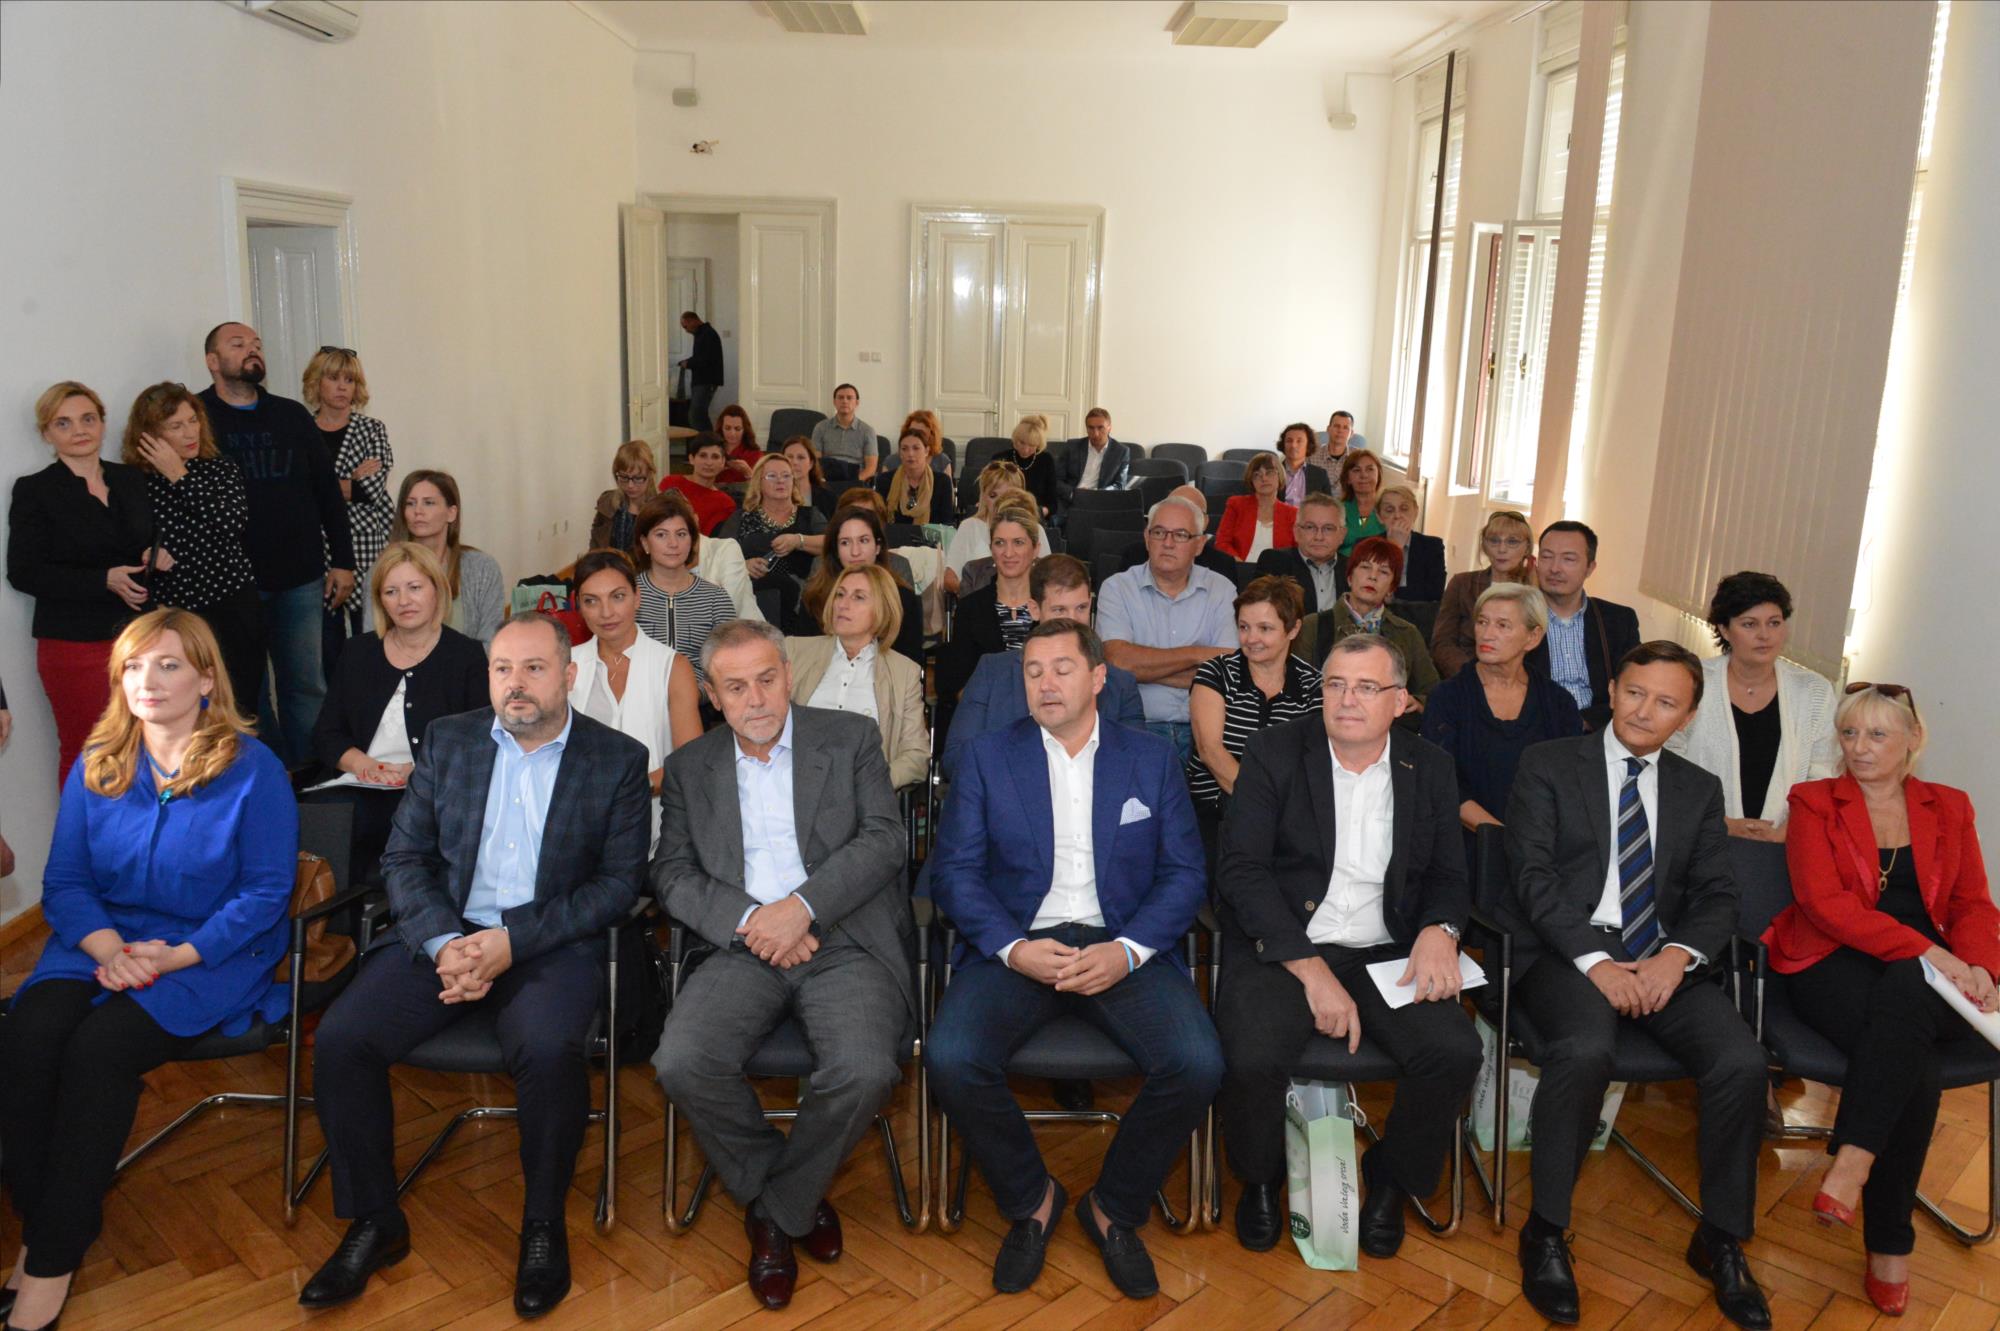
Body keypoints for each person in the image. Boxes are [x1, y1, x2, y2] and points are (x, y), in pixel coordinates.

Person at [301, 614, 649, 1319]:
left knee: (547, 1047)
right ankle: (375, 1219)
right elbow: (405, 857)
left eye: (533, 668)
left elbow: (617, 886)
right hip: (449, 935)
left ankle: (543, 1222)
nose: (515, 684)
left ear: (568, 675)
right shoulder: (451, 740)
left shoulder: (615, 757)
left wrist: (512, 942)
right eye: (502, 668)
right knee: (342, 1038)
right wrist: (443, 943)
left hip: (549, 943)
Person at [0, 609, 294, 1331]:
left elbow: (265, 893)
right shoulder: (99, 760)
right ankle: (51, 1221)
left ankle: (48, 1262)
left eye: (168, 664)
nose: (147, 680)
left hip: (207, 951)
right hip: (102, 942)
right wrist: (110, 951)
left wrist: (175, 955)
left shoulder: (253, 768)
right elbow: (66, 881)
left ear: (206, 678)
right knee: (28, 1033)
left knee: (99, 1051)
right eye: (133, 666)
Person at [926, 619, 1222, 1300]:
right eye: (1033, 671)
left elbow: (1184, 874)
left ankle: (1114, 1206)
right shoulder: (988, 758)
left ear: (1098, 678)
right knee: (950, 1057)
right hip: (1019, 944)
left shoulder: (1149, 758)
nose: (1046, 683)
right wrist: (1013, 948)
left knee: (1198, 1062)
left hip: (1120, 944)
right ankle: (1031, 1198)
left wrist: (1129, 951)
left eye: (1062, 668)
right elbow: (955, 875)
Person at [1502, 641, 1772, 1330]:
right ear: (1612, 690)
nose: (1645, 710)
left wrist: (1676, 957)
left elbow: (1718, 895)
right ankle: (1546, 1230)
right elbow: (1532, 879)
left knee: (1741, 1061)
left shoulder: (1698, 788)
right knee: (1585, 1049)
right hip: (1567, 955)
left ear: (1688, 716)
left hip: (1660, 957)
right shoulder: (1548, 763)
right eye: (1634, 692)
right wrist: (1596, 962)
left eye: (1666, 702)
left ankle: (1720, 1237)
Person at [652, 620, 912, 1312]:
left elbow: (885, 839)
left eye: (767, 679)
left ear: (788, 676)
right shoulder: (690, 768)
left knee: (865, 1069)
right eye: (735, 687)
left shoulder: (849, 737)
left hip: (843, 938)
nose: (756, 698)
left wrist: (802, 908)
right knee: (682, 1062)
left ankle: (774, 1211)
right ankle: (792, 1193)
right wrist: (752, 921)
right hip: (742, 947)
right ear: (712, 696)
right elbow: (672, 874)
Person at [1214, 634, 1478, 1257]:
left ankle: (1390, 1180)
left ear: (1400, 702)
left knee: (1454, 1052)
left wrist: (1441, 931)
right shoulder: (1275, 751)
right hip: (1288, 943)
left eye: (1366, 687)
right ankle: (1260, 1178)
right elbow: (1241, 871)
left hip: (1387, 948)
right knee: (1251, 1055)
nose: (1347, 700)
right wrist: (1311, 972)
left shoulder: (1429, 766)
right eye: (1335, 685)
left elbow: (1449, 874)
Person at [1763, 684, 1998, 1316]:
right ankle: (1890, 1245)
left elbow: (1973, 903)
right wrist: (1931, 956)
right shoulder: (1813, 801)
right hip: (1832, 963)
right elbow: (1825, 905)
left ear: (1913, 739)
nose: (1859, 748)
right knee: (1913, 1055)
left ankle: (1853, 1160)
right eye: (1849, 733)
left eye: (1877, 735)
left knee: (1905, 1007)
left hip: (1930, 978)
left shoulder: (1949, 805)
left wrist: (1979, 966)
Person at [199, 322, 357, 765]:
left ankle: (313, 779)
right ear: (212, 361)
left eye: (257, 344)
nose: (252, 350)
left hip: (300, 577)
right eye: (238, 344)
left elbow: (328, 493)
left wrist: (343, 561)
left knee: (305, 685)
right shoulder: (197, 417)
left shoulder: (291, 416)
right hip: (232, 585)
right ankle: (270, 776)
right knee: (245, 691)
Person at [305, 541, 487, 887]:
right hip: (359, 783)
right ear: (380, 601)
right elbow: (326, 733)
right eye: (391, 592)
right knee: (321, 818)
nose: (404, 601)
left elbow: (477, 744)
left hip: (430, 791)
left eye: (414, 587)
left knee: (396, 821)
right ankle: (333, 918)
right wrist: (364, 765)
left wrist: (419, 771)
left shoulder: (466, 656)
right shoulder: (358, 652)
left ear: (437, 589)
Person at [8, 381, 159, 786]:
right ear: (47, 433)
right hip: (74, 643)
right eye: (64, 423)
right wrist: (102, 580)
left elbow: (144, 541)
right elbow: (23, 572)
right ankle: (85, 829)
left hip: (141, 636)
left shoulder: (130, 479)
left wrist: (155, 555)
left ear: (102, 423)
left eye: (88, 419)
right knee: (88, 749)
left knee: (150, 746)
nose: (79, 430)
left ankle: (144, 828)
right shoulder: (35, 490)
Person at [120, 381, 265, 721]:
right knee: (189, 714)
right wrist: (145, 554)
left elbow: (231, 523)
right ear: (149, 436)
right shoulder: (133, 482)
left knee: (241, 706)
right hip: (176, 615)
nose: (189, 432)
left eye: (193, 420)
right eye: (175, 426)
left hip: (233, 604)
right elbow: (125, 542)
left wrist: (179, 475)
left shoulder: (220, 468)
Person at [940, 555, 1145, 781]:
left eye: (1081, 608)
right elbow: (956, 759)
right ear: (1034, 609)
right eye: (1059, 610)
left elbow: (1136, 764)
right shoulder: (992, 673)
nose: (1073, 622)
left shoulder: (1120, 684)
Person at [1668, 571, 1837, 840]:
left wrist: (1787, 831)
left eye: (1774, 623)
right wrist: (1720, 823)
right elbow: (1670, 763)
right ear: (1724, 629)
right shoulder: (1693, 680)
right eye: (1749, 624)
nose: (1764, 635)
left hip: (1786, 842)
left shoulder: (1814, 690)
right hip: (1701, 838)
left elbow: (1823, 773)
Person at [1420, 583, 1582, 860]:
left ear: (1533, 637)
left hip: (1539, 848)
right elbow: (1442, 785)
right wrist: (1502, 839)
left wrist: (1532, 845)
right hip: (1461, 846)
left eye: (1503, 625)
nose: (1487, 634)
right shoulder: (1447, 698)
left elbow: (1569, 786)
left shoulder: (1558, 704)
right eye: (1482, 622)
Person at [569, 548, 701, 849]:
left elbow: (689, 762)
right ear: (579, 606)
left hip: (655, 825)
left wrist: (634, 788)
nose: (606, 612)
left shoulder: (671, 666)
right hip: (579, 822)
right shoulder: (568, 665)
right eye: (591, 601)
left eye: (617, 597)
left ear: (637, 598)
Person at [1097, 496, 1237, 762]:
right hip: (1137, 727)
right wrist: (1197, 654)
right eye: (1159, 532)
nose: (1168, 543)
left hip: (1207, 729)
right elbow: (1119, 663)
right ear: (1146, 537)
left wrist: (1144, 670)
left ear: (1199, 544)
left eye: (1181, 535)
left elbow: (1229, 671)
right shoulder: (1117, 588)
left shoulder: (1222, 590)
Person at [1187, 576, 1323, 823]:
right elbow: (1210, 751)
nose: (1251, 639)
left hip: (1286, 814)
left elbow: (1313, 762)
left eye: (1265, 628)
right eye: (1244, 627)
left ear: (1293, 629)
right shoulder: (1216, 672)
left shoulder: (1313, 685)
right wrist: (1263, 806)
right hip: (1215, 813)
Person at [785, 565, 927, 789]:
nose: (843, 604)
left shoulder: (904, 672)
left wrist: (874, 784)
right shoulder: (794, 651)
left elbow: (916, 755)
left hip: (862, 792)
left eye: (858, 597)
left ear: (882, 609)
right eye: (840, 594)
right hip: (796, 784)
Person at [305, 347, 393, 647]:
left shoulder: (371, 429)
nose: (342, 387)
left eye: (350, 380)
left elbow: (370, 490)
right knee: (327, 643)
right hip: (315, 546)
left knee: (370, 637)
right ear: (316, 382)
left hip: (365, 546)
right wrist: (350, 480)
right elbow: (296, 491)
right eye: (333, 378)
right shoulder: (302, 429)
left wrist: (321, 485)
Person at [1296, 537, 1440, 714]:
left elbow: (1433, 692)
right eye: (1365, 567)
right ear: (1350, 577)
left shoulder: (1407, 633)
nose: (1373, 576)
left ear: (1391, 588)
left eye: (1384, 572)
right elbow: (1297, 688)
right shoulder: (1313, 625)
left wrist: (1417, 702)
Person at [1524, 520, 1642, 728]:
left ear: (1590, 568)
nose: (1554, 568)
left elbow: (1634, 687)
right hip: (1535, 730)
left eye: (1568, 559)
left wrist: (1584, 722)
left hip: (1597, 730)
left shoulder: (1618, 620)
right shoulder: (1518, 615)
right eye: (1547, 557)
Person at [939, 504, 1042, 723]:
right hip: (986, 719)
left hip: (1044, 721)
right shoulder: (970, 608)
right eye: (1000, 543)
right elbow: (961, 687)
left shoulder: (1049, 609)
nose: (1008, 553)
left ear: (1036, 549)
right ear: (991, 549)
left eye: (1018, 542)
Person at [389, 469, 504, 647]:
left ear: (451, 513)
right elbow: (373, 640)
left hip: (468, 664)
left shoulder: (482, 568)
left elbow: (492, 642)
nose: (418, 511)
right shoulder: (384, 570)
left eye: (428, 503)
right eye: (410, 503)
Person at [631, 490, 738, 680]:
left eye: (681, 534)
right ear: (645, 543)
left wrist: (693, 693)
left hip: (701, 696)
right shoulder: (628, 596)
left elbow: (729, 666)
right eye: (661, 535)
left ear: (692, 541)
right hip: (639, 693)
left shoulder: (715, 599)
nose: (673, 543)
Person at [800, 505, 925, 664]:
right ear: (836, 550)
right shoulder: (815, 598)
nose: (855, 552)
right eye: (845, 542)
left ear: (878, 546)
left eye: (863, 540)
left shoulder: (903, 599)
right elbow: (804, 660)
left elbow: (910, 665)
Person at [1432, 509, 1535, 680]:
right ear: (1484, 545)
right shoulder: (1462, 584)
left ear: (1527, 547)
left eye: (1512, 542)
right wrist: (1473, 676)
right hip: (1465, 676)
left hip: (1516, 681)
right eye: (1494, 540)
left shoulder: (1534, 590)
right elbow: (1442, 643)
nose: (1501, 549)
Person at [726, 454, 827, 625]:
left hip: (803, 602)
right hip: (753, 601)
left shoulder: (810, 515)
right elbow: (720, 556)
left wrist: (799, 541)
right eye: (772, 476)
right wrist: (743, 566)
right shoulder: (741, 518)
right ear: (759, 482)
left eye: (786, 476)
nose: (780, 481)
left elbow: (834, 543)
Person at [943, 461, 1050, 595]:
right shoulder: (969, 527)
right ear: (983, 497)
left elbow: (1048, 579)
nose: (1001, 501)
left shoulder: (1036, 529)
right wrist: (974, 597)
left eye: (1008, 495)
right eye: (993, 495)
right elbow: (949, 578)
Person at [1255, 492, 1347, 616]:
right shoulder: (1274, 562)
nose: (1319, 537)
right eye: (1310, 527)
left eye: (1328, 528)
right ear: (1296, 532)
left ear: (1342, 535)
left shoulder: (1354, 569)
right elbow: (1259, 614)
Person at [1214, 452, 1296, 563]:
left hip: (1277, 572)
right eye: (1257, 475)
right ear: (1251, 481)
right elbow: (1222, 542)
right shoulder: (1236, 505)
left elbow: (1298, 552)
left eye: (1269, 473)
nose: (1264, 478)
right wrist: (1238, 564)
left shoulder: (1293, 514)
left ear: (1280, 476)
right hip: (1240, 568)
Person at [1375, 484, 1447, 603]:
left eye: (1404, 509)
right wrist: (1395, 548)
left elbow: (1435, 593)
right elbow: (1368, 589)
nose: (1397, 515)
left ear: (1416, 512)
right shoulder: (1366, 545)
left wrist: (1393, 595)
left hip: (1417, 613)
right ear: (1379, 516)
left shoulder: (1432, 546)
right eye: (1389, 510)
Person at [874, 427, 958, 527]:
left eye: (916, 448)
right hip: (894, 536)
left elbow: (946, 523)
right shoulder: (884, 480)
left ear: (926, 451)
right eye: (904, 449)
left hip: (930, 536)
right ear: (900, 453)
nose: (910, 454)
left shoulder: (942, 482)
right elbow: (879, 520)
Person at [659, 435, 740, 536]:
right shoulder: (670, 483)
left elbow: (710, 540)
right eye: (703, 456)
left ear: (723, 462)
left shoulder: (725, 503)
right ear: (691, 459)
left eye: (715, 457)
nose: (709, 463)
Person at [1055, 407, 1131, 512]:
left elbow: (1120, 486)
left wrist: (1095, 494)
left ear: (1109, 428)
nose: (1095, 434)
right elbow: (1057, 480)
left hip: (1100, 502)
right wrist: (1074, 493)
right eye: (1091, 428)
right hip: (1071, 500)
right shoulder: (1072, 447)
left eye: (1100, 428)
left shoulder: (1121, 452)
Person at [591, 439, 657, 554]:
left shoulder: (660, 509)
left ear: (650, 475)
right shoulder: (607, 502)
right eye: (624, 477)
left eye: (638, 478)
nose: (630, 485)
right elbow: (595, 545)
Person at [809, 383, 877, 486]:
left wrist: (853, 482)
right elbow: (816, 461)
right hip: (828, 479)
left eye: (849, 398)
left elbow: (871, 468)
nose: (844, 401)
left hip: (855, 480)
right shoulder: (821, 428)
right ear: (834, 402)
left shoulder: (867, 431)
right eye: (840, 397)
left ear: (857, 403)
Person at [677, 310, 725, 434]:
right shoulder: (703, 334)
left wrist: (688, 363)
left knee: (696, 415)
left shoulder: (707, 334)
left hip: (706, 381)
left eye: (685, 326)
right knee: (698, 415)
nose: (686, 330)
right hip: (704, 380)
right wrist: (688, 361)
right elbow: (701, 356)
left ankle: (708, 441)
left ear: (692, 321)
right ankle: (707, 440)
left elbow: (704, 359)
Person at [1007, 414, 1060, 521]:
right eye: (1022, 443)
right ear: (1015, 439)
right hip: (1005, 514)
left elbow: (1052, 504)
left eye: (1032, 445)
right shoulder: (1001, 459)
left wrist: (1041, 512)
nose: (1025, 449)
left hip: (1034, 517)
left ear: (1039, 444)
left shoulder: (1046, 460)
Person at [1338, 448, 1386, 560]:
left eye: (1370, 469)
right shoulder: (1337, 509)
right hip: (1342, 566)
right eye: (1356, 470)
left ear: (1378, 475)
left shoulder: (1389, 509)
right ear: (1348, 479)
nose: (1364, 475)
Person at [1275, 422, 1335, 507]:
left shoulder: (1320, 475)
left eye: (1299, 441)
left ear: (1308, 445)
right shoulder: (1273, 473)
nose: (1293, 445)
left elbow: (1329, 506)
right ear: (1283, 445)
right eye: (1289, 441)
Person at [782, 435, 837, 518]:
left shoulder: (829, 499)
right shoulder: (769, 496)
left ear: (811, 463)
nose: (795, 462)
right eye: (789, 457)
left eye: (801, 457)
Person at [898, 408, 955, 488]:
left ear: (931, 436)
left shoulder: (942, 461)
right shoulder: (891, 462)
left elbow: (949, 493)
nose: (915, 437)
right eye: (911, 431)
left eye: (921, 434)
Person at [715, 404, 761, 481]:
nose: (732, 433)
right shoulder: (712, 449)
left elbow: (760, 485)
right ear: (721, 428)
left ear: (744, 430)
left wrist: (748, 472)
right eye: (727, 428)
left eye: (737, 429)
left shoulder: (754, 454)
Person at [1311, 409, 1358, 476]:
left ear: (1351, 433)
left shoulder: (1358, 457)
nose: (1340, 431)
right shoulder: (1312, 455)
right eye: (1336, 426)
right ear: (1328, 429)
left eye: (1345, 428)